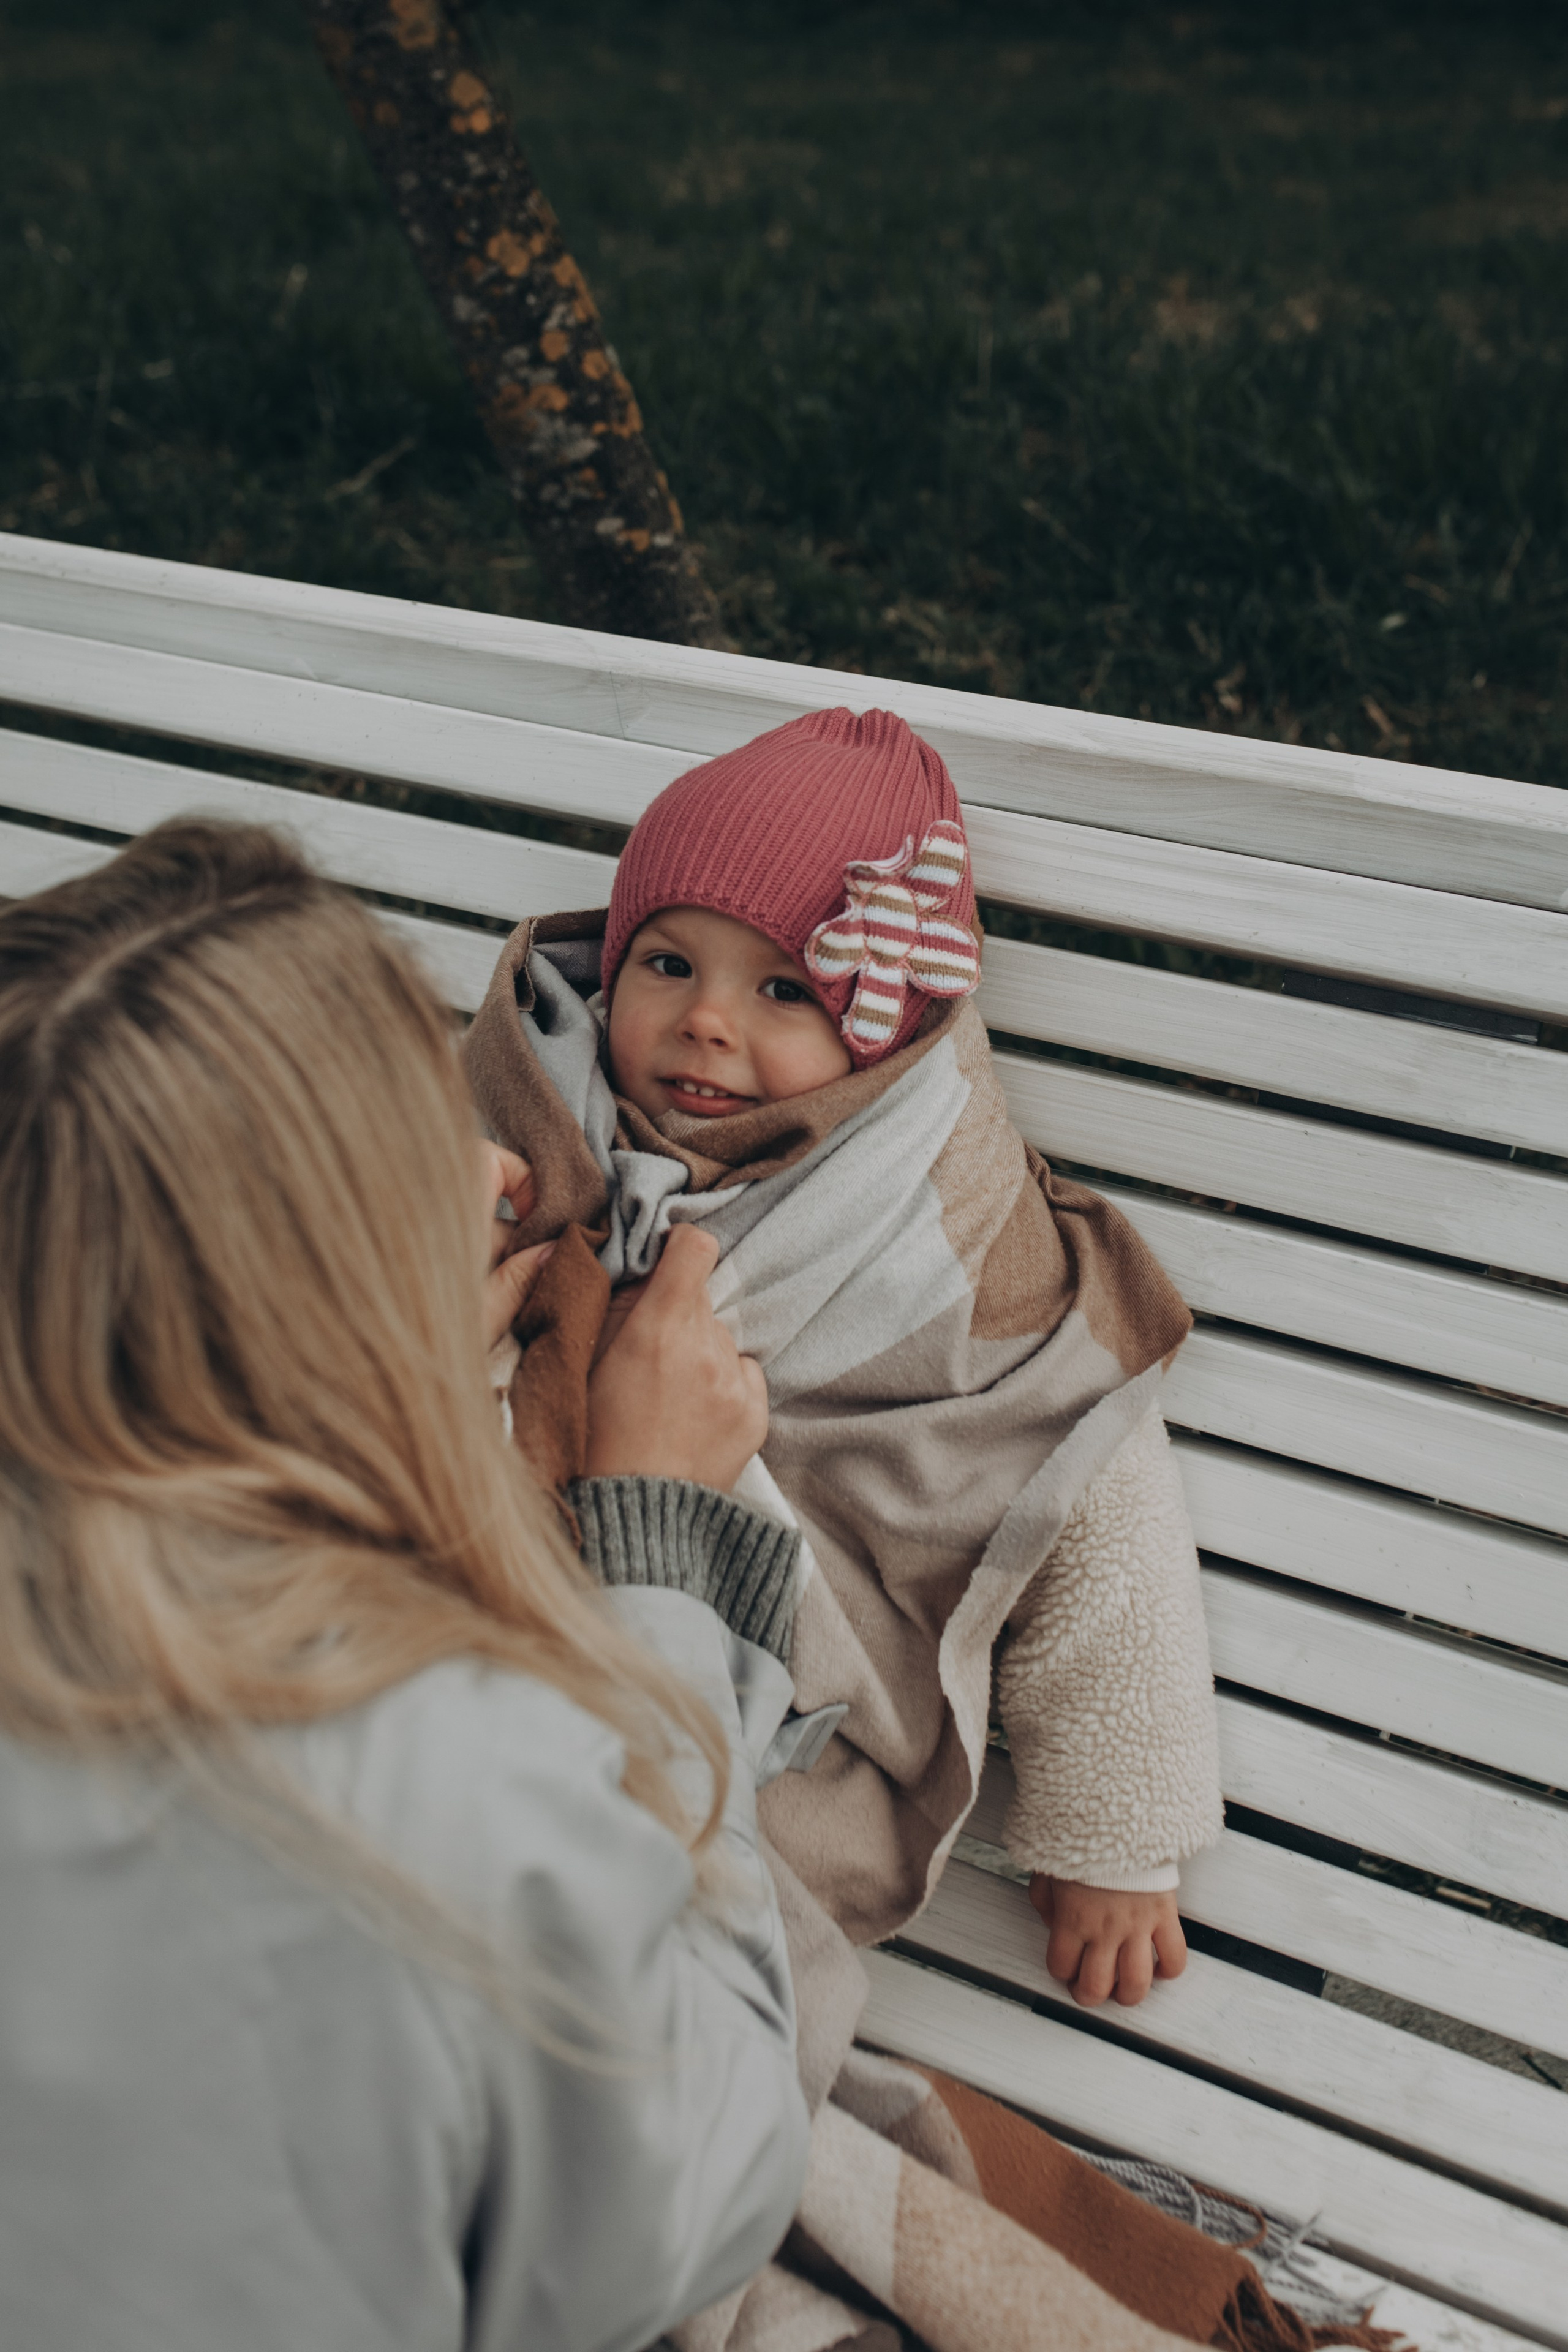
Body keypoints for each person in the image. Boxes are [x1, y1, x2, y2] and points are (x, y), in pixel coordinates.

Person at [0, 821, 812, 2352]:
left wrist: (340, 1397)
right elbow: (712, 2168)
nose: (495, 1167)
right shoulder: (458, 1796)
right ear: (320, 1261)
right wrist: (651, 1557)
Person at [464, 706, 1224, 2018]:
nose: (704, 1024)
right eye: (664, 964)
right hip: (475, 1638)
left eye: (782, 993)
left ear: (884, 1035)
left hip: (757, 1721)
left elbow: (1083, 1489)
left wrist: (1115, 1834)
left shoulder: (949, 1240)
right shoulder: (520, 1127)